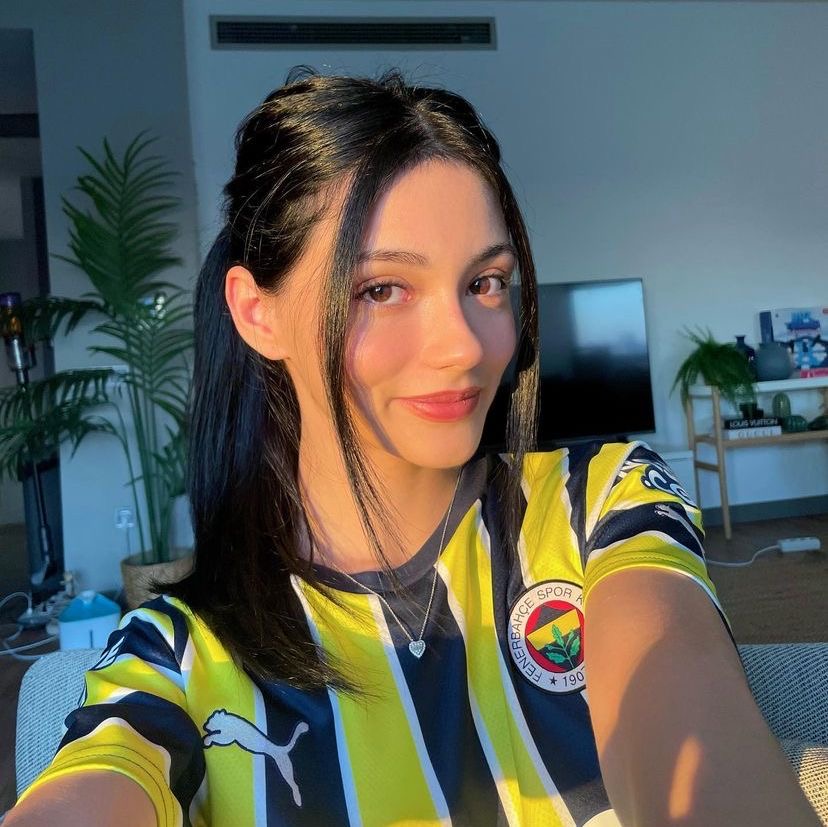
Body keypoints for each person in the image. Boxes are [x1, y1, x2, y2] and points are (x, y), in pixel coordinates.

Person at [7, 69, 820, 827]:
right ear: (258, 313)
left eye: (485, 283)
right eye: (382, 288)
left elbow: (681, 712)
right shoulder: (176, 653)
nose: (464, 346)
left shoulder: (601, 504)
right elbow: (101, 777)